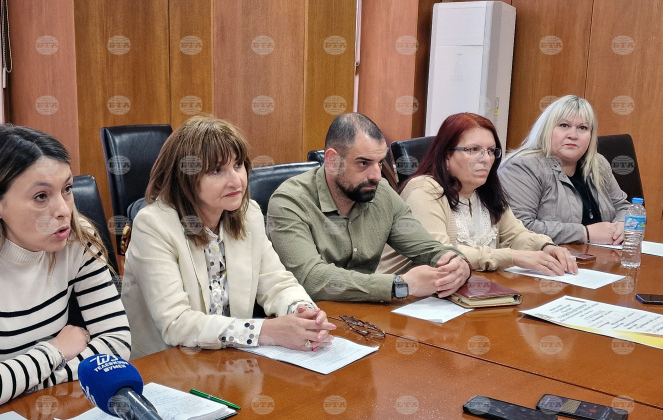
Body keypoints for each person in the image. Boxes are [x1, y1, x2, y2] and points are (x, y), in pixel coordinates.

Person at [0, 124, 132, 420]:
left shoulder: (78, 238)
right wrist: (57, 350)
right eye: (41, 196)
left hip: (40, 401)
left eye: (67, 189)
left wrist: (24, 383)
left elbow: (117, 344)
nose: (64, 210)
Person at [122, 115, 335, 359]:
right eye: (217, 170)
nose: (236, 181)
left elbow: (277, 283)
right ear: (185, 177)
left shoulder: (248, 214)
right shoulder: (153, 225)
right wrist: (267, 331)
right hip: (165, 363)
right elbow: (176, 323)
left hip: (229, 359)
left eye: (238, 165)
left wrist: (304, 313)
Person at [267, 112, 471, 303]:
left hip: (367, 314)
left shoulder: (381, 193)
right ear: (332, 161)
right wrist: (399, 285)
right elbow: (311, 279)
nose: (376, 176)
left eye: (380, 163)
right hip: (309, 317)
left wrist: (457, 263)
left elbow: (429, 248)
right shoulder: (290, 201)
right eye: (363, 163)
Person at [400, 113, 577, 275]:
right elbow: (442, 255)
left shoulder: (484, 191)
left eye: (491, 151)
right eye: (473, 150)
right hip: (413, 296)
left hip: (473, 288)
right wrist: (512, 257)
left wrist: (545, 246)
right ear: (447, 155)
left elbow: (515, 235)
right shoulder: (423, 190)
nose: (485, 159)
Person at [499, 95, 631, 245]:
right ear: (546, 129)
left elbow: (625, 207)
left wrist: (623, 224)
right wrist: (584, 233)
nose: (573, 135)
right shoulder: (523, 166)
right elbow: (519, 228)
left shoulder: (598, 164)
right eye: (564, 125)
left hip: (601, 255)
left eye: (582, 128)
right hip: (545, 257)